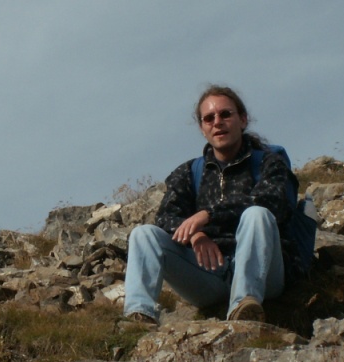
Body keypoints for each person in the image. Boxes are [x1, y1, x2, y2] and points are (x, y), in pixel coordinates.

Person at [122, 84, 294, 325]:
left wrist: (208, 215)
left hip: (265, 272)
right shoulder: (189, 172)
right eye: (209, 118)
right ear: (202, 128)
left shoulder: (269, 162)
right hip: (209, 272)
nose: (217, 122)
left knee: (257, 214)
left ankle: (244, 304)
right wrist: (196, 235)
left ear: (243, 120)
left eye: (226, 114)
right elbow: (165, 217)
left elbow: (273, 202)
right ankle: (139, 314)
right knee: (143, 234)